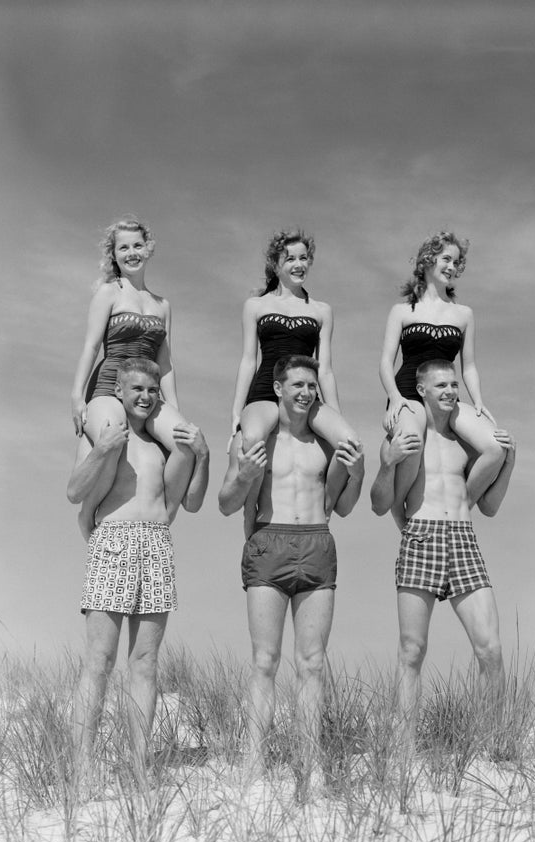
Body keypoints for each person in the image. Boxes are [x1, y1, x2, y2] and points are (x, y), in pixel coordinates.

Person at [219, 354, 364, 789]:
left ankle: (311, 762)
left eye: (311, 386)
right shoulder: (255, 440)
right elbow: (226, 503)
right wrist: (245, 474)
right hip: (269, 541)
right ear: (278, 388)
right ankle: (253, 761)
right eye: (297, 384)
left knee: (312, 663)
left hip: (317, 544)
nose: (305, 392)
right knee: (265, 660)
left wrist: (353, 474)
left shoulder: (324, 445)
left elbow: (343, 506)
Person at [67, 357, 210, 773]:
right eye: (137, 390)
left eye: (152, 390)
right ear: (120, 394)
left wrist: (202, 457)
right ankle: (82, 765)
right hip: (113, 541)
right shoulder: (104, 433)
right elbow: (74, 491)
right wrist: (104, 449)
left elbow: (191, 503)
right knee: (100, 659)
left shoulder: (163, 445)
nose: (145, 397)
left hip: (157, 544)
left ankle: (138, 763)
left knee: (145, 662)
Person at [370, 357, 517, 753]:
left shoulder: (467, 442)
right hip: (421, 537)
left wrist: (509, 460)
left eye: (454, 385)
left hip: (463, 539)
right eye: (442, 386)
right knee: (412, 651)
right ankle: (403, 750)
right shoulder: (406, 437)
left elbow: (489, 507)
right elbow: (380, 503)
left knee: (491, 649)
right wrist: (387, 463)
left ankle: (490, 745)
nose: (452, 392)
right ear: (421, 391)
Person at [70, 215, 195, 541]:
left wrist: (176, 409)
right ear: (114, 254)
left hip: (147, 390)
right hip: (110, 384)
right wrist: (76, 395)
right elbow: (91, 346)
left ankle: (165, 516)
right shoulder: (109, 293)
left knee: (186, 443)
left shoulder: (162, 304)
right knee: (115, 437)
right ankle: (88, 514)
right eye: (123, 247)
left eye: (137, 245)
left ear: (148, 248)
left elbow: (165, 364)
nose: (131, 253)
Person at [379, 229, 505, 527]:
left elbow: (469, 366)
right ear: (427, 260)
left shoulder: (464, 314)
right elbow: (385, 362)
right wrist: (395, 399)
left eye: (456, 262)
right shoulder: (401, 311)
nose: (452, 267)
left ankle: (462, 506)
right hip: (409, 390)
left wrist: (478, 402)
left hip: (446, 394)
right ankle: (402, 515)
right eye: (446, 259)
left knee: (495, 447)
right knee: (411, 443)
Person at [229, 228, 359, 463]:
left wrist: (335, 413)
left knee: (349, 443)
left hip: (305, 394)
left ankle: (328, 501)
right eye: (290, 259)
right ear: (276, 265)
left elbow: (325, 370)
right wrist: (236, 412)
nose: (299, 264)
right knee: (251, 439)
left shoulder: (322, 311)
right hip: (265, 393)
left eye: (303, 258)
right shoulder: (255, 306)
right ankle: (250, 502)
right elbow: (248, 360)